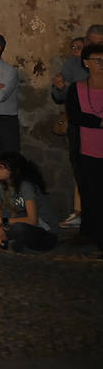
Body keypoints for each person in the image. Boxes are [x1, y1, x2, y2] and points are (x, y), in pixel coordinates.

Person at [55, 24, 103, 228]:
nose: (92, 45)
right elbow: (62, 98)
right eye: (90, 41)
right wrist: (59, 88)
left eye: (98, 43)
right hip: (81, 130)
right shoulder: (73, 65)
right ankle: (86, 220)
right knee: (83, 173)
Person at [0, 153, 58, 252]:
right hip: (12, 224)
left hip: (41, 229)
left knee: (19, 228)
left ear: (14, 171)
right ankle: (1, 241)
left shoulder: (26, 186)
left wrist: (3, 221)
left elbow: (32, 220)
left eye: (1, 167)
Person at [65, 42, 103, 254]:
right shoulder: (77, 89)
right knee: (89, 192)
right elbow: (75, 115)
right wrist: (99, 123)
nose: (102, 64)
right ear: (86, 63)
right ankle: (89, 232)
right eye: (97, 60)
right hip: (86, 149)